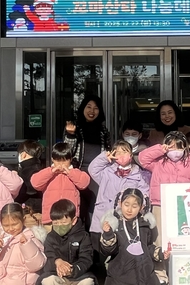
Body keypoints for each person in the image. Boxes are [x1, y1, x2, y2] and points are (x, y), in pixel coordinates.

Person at [138, 131, 190, 284]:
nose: (175, 151)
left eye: (179, 147)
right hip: (160, 204)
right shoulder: (158, 162)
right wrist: (160, 149)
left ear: (185, 148)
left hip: (182, 207)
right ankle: (160, 274)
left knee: (181, 238)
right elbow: (142, 158)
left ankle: (181, 272)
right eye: (171, 147)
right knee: (159, 239)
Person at [100, 189, 168, 285]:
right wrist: (108, 234)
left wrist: (160, 253)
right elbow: (108, 251)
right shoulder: (114, 224)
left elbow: (147, 247)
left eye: (134, 206)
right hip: (121, 271)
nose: (129, 210)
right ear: (120, 204)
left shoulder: (144, 225)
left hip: (142, 271)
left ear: (141, 207)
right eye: (126, 205)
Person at [88, 140, 150, 252]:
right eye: (118, 152)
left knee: (120, 251)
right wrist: (104, 158)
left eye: (124, 152)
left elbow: (145, 195)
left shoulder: (138, 175)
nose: (121, 155)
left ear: (131, 154)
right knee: (99, 252)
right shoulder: (107, 171)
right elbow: (92, 169)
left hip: (124, 221)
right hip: (103, 216)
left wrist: (138, 208)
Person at [36, 199, 96, 285]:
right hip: (58, 276)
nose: (59, 226)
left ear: (73, 221)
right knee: (47, 281)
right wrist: (57, 261)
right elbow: (48, 255)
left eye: (63, 223)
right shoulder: (50, 238)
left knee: (88, 282)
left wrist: (73, 270)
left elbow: (86, 258)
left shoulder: (83, 236)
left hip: (78, 276)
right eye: (56, 223)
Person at [64, 94, 111, 227]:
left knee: (96, 206)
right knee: (79, 205)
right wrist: (70, 135)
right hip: (79, 172)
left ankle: (94, 234)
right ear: (83, 109)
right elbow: (67, 151)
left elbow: (108, 151)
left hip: (97, 173)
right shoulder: (75, 128)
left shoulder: (103, 131)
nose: (92, 111)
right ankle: (80, 235)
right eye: (88, 107)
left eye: (95, 108)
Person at [31, 142, 91, 225]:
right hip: (51, 217)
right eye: (58, 161)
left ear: (70, 159)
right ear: (52, 159)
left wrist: (70, 173)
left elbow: (84, 183)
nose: (61, 164)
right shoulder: (48, 173)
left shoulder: (75, 173)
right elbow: (35, 183)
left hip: (70, 217)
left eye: (65, 160)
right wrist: (50, 172)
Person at [14, 140, 44, 213]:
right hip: (41, 205)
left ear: (23, 154)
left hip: (28, 207)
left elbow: (27, 191)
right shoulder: (40, 168)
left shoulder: (26, 170)